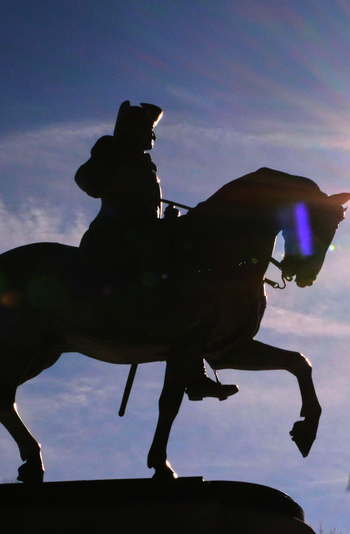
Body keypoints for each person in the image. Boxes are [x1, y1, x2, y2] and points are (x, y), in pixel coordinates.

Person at [75, 101, 237, 402]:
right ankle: (155, 319)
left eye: (152, 130)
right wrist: (113, 183)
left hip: (144, 230)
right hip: (115, 233)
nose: (153, 137)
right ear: (131, 130)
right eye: (148, 130)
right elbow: (86, 179)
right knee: (159, 256)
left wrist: (165, 221)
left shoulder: (143, 162)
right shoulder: (111, 151)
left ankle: (194, 369)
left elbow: (147, 209)